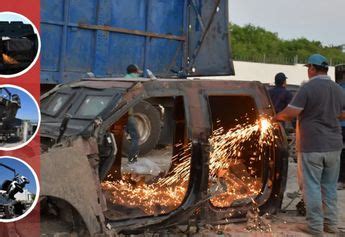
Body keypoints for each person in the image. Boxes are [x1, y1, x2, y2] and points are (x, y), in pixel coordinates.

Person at [274, 54, 345, 236]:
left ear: (312, 69)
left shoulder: (308, 88)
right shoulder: (338, 89)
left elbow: (291, 112)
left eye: (308, 68)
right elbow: (342, 114)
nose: (308, 71)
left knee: (311, 186)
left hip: (313, 145)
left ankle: (315, 227)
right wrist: (328, 114)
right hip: (334, 146)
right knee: (329, 186)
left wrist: (275, 117)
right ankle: (331, 225)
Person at [124, 64, 141, 163]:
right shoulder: (134, 81)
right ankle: (132, 159)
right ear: (134, 72)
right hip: (128, 113)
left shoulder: (124, 79)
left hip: (119, 113)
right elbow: (140, 91)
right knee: (136, 137)